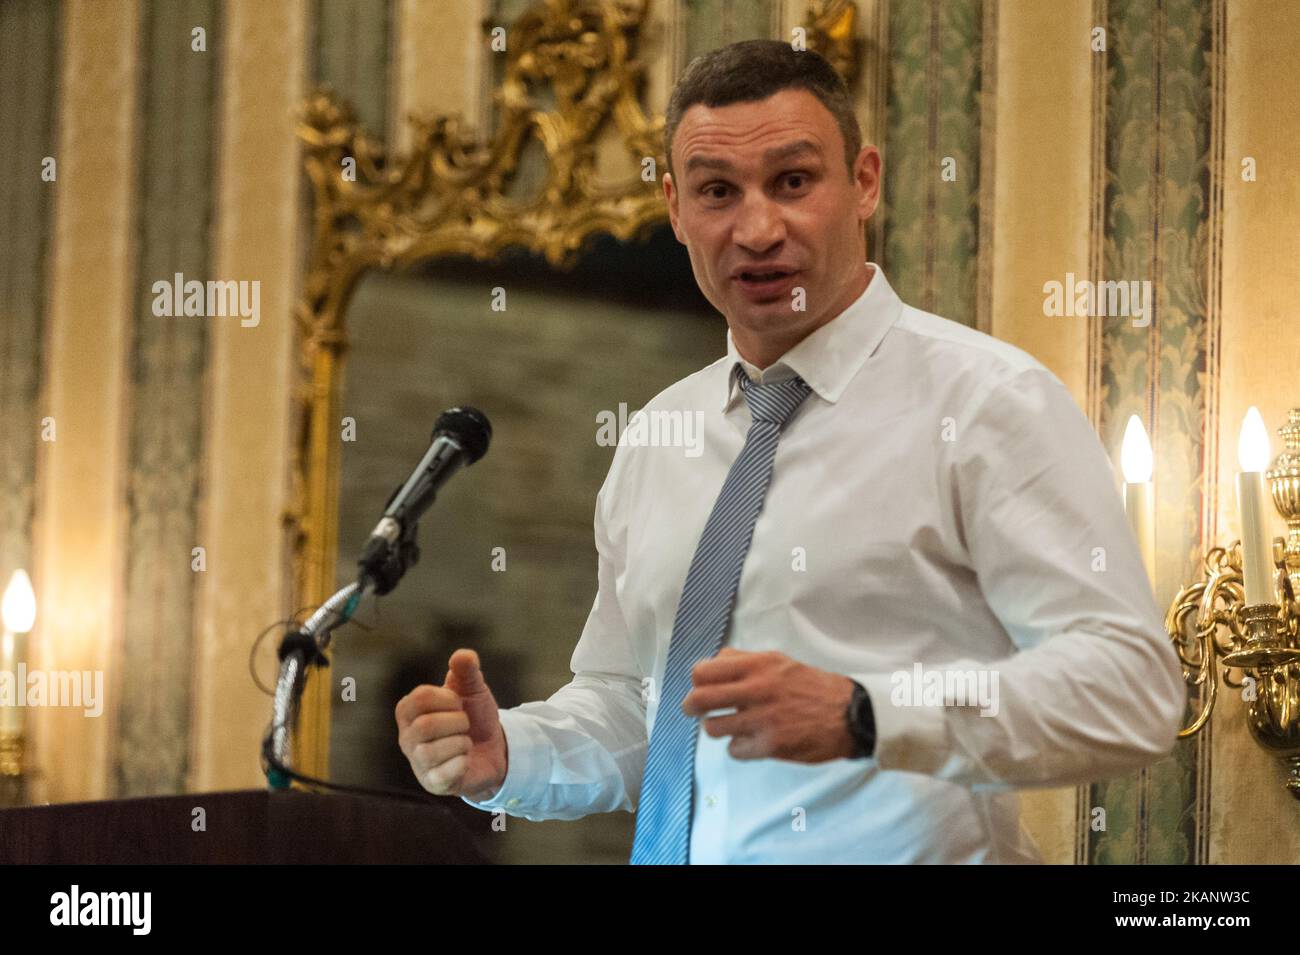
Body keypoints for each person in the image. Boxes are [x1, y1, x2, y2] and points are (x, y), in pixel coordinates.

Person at [395, 39, 1186, 864]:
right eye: (717, 192)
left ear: (865, 181)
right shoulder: (658, 435)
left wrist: (866, 711)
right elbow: (644, 709)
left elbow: (1130, 688)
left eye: (794, 181)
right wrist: (513, 753)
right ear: (674, 207)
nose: (758, 227)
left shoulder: (988, 403)